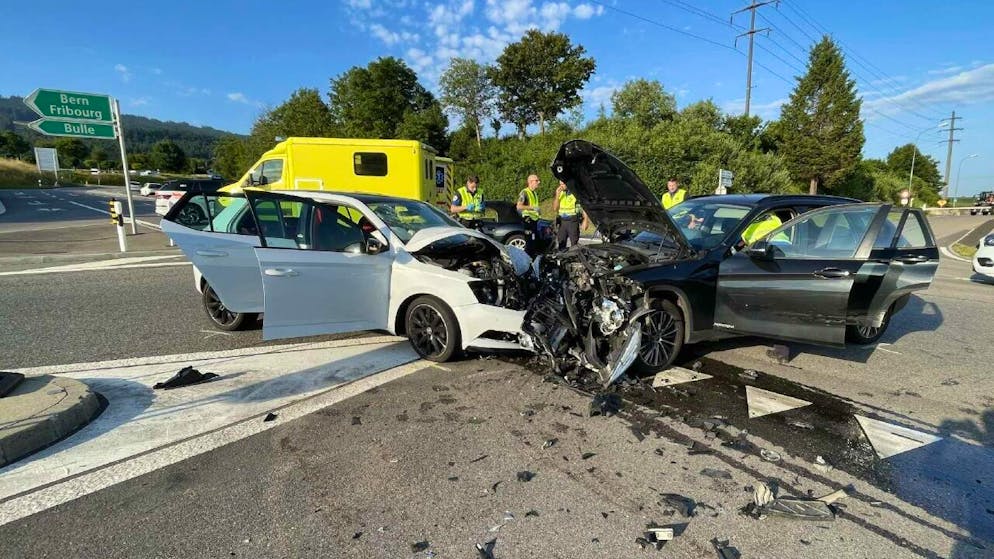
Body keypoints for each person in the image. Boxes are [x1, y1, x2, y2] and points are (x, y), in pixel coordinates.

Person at [553, 180, 591, 250]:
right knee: (561, 243)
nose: (561, 186)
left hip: (572, 221)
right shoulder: (560, 192)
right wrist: (557, 195)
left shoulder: (575, 193)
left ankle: (575, 258)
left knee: (574, 244)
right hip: (562, 222)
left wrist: (585, 220)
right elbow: (555, 208)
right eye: (560, 184)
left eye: (563, 184)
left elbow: (583, 207)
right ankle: (562, 259)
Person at [516, 174, 542, 244]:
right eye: (536, 180)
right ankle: (529, 254)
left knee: (535, 241)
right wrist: (533, 208)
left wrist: (538, 212)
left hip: (534, 220)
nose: (539, 182)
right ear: (530, 182)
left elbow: (535, 206)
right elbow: (519, 206)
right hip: (527, 220)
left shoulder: (535, 193)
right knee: (529, 241)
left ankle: (534, 254)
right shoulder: (524, 192)